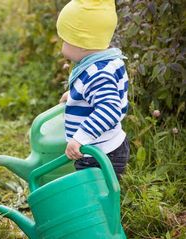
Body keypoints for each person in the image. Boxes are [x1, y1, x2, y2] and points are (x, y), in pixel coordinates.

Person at [56, 0, 130, 180]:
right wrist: (75, 96)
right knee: (99, 192)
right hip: (104, 147)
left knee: (95, 196)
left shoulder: (97, 74)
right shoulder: (108, 62)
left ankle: (103, 208)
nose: (62, 44)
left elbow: (109, 110)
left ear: (82, 43)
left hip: (99, 153)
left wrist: (80, 138)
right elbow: (96, 96)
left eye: (65, 39)